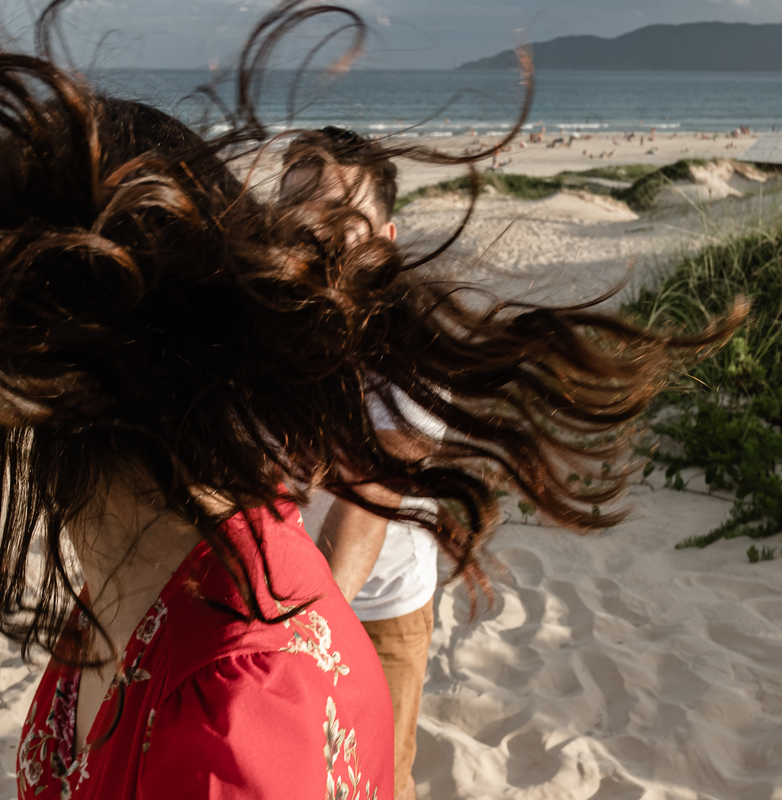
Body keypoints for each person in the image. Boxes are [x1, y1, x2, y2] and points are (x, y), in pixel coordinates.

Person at [0, 1, 738, 797]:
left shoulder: (232, 715)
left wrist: (290, 627)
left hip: (356, 603)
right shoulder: (118, 615)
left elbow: (366, 501)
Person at [279, 127, 445, 800]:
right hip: (273, 590)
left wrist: (300, 638)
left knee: (379, 773)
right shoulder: (263, 318)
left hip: (378, 603)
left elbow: (365, 501)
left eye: (342, 217)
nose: (315, 231)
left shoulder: (414, 349)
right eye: (297, 212)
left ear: (385, 238)